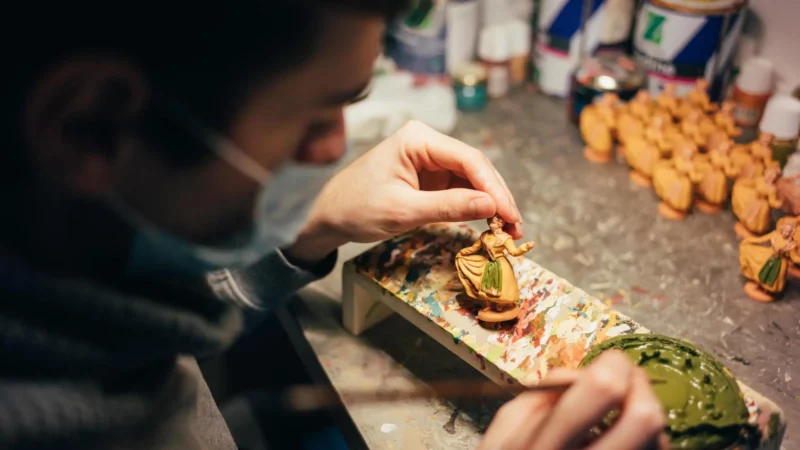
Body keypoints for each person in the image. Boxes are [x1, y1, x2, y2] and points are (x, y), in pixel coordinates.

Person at [0, 2, 665, 449]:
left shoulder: (64, 254)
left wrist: (308, 223)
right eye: (317, 115)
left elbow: (149, 299)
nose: (333, 152)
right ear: (89, 126)